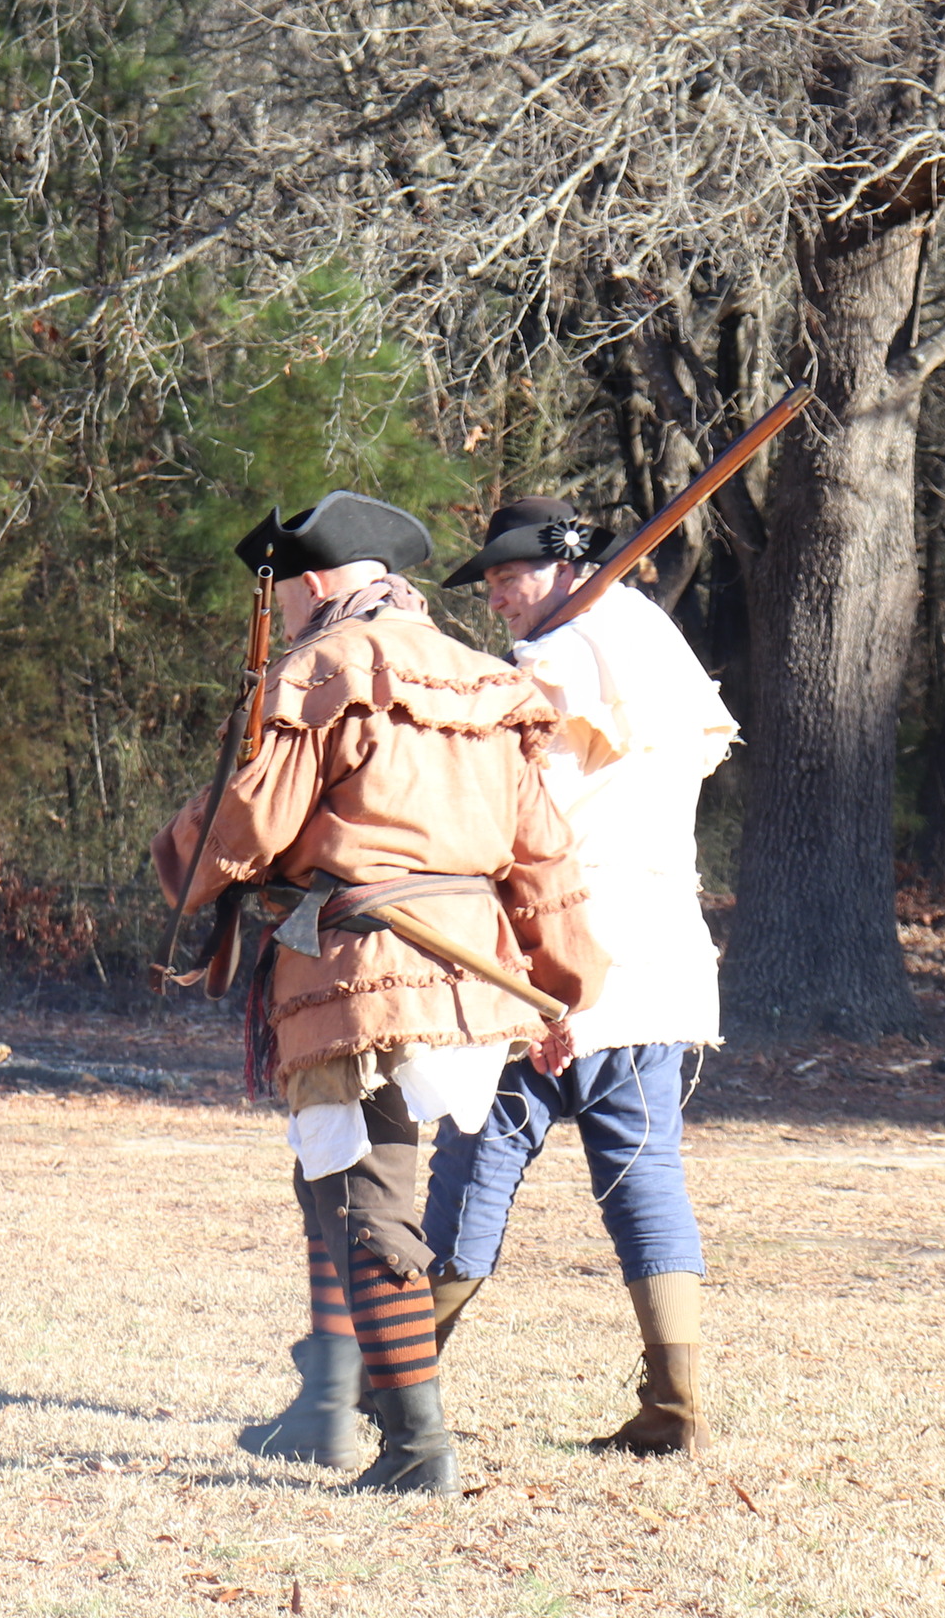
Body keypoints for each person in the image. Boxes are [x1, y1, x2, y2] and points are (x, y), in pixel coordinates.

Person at [152, 488, 608, 1496]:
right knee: (340, 1187)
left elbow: (250, 827)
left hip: (364, 973)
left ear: (317, 581)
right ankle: (335, 1411)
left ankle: (415, 1448)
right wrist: (562, 985)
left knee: (363, 1198)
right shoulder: (491, 679)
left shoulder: (326, 666)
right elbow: (543, 855)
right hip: (467, 977)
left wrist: (180, 850)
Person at [422, 495, 738, 1456]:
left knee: (476, 1154)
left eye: (508, 577)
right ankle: (673, 1406)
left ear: (563, 567)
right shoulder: (652, 645)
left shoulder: (553, 666)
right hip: (656, 957)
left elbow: (516, 823)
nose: (495, 600)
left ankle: (386, 1390)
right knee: (646, 1175)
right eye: (488, 582)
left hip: (554, 949)